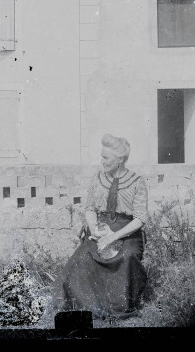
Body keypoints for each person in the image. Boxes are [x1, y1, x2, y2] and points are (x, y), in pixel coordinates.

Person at [51, 134, 148, 320]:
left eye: (106, 158)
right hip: (100, 229)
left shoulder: (137, 182)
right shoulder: (97, 179)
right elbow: (90, 209)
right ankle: (86, 307)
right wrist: (95, 229)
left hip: (128, 232)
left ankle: (118, 307)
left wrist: (112, 237)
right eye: (101, 156)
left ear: (120, 159)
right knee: (83, 258)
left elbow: (140, 219)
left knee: (127, 257)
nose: (101, 161)